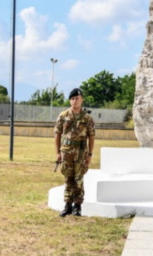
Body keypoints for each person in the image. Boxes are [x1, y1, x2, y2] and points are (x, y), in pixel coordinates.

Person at [54, 88, 95, 217]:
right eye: (72, 99)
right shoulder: (63, 116)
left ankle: (77, 206)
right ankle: (67, 205)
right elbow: (57, 134)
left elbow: (91, 137)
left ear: (82, 99)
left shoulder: (87, 118)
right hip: (66, 152)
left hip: (81, 152)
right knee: (68, 178)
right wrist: (58, 153)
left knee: (78, 178)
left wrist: (89, 155)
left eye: (77, 98)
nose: (74, 101)